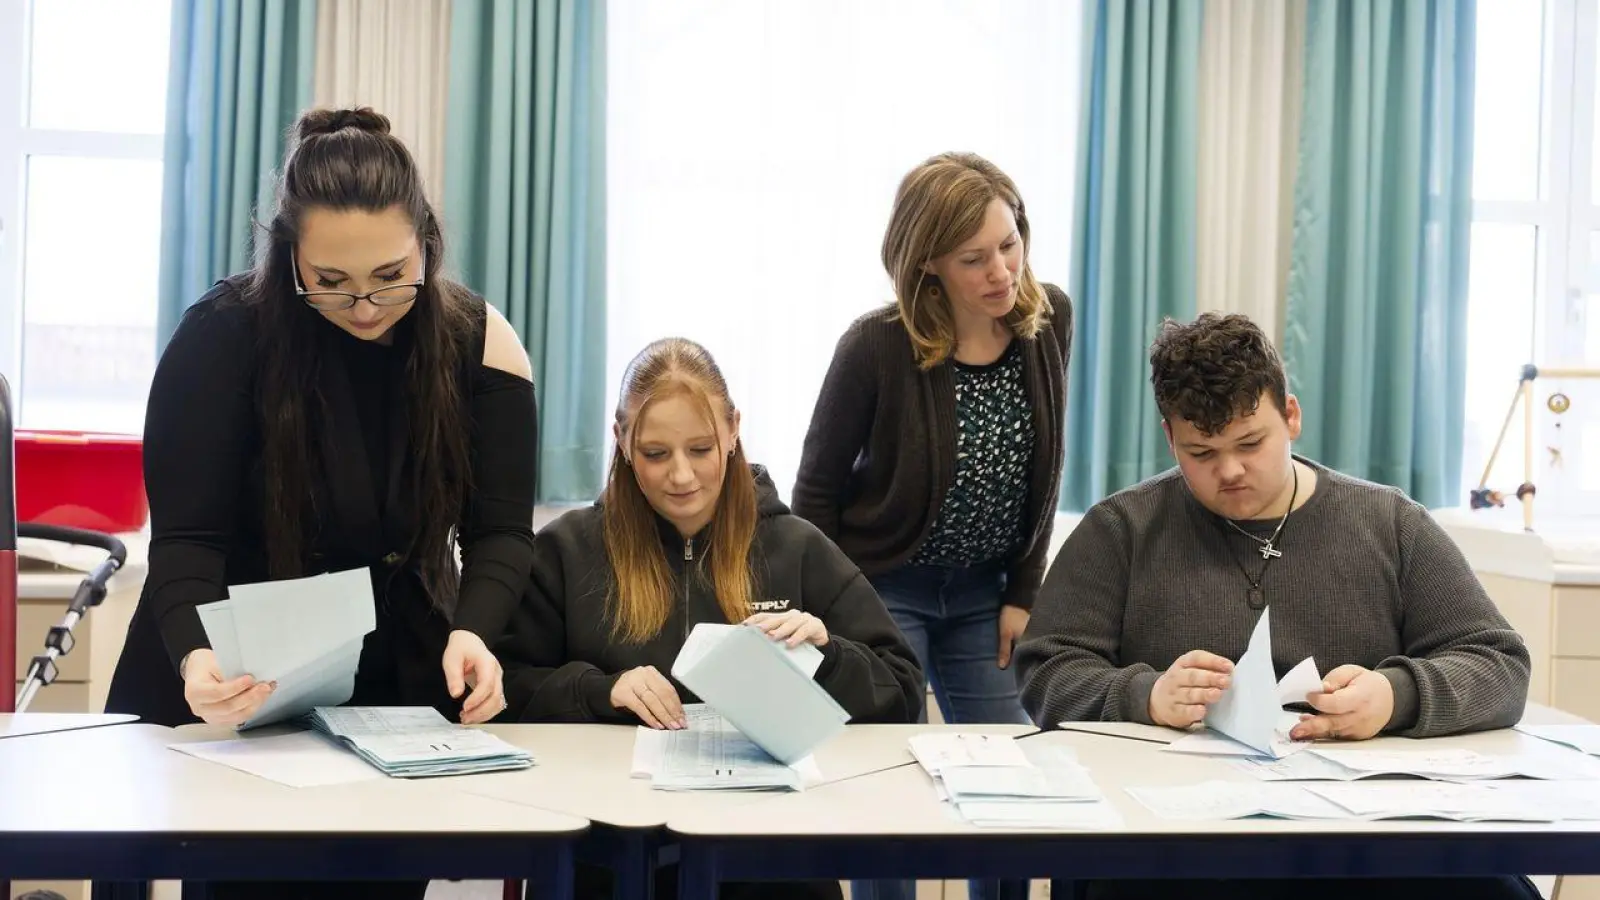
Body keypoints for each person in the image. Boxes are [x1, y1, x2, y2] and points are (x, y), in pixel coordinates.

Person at [102, 107, 537, 900]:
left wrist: (475, 629)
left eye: (390, 278)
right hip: (236, 671)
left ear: (427, 244)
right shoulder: (222, 337)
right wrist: (199, 661)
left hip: (386, 675)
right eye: (329, 283)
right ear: (289, 254)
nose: (364, 308)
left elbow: (503, 532)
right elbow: (188, 542)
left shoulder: (482, 342)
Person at [1016, 312, 1536, 900]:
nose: (1230, 471)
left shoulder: (1390, 523)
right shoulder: (1122, 529)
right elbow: (1045, 672)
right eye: (1201, 452)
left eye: (1250, 443)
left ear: (1291, 416)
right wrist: (1145, 696)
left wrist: (1396, 696)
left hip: (1360, 835)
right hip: (1173, 837)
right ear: (1169, 438)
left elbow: (1501, 665)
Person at [496, 336, 923, 900]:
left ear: (733, 429)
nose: (681, 477)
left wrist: (827, 658)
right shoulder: (567, 550)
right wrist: (601, 693)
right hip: (609, 856)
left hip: (770, 856)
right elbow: (500, 689)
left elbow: (903, 690)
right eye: (655, 454)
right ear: (621, 440)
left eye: (700, 449)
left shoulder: (795, 546)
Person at [791, 151, 1072, 900]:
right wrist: (823, 609)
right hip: (882, 591)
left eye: (1009, 244)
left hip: (984, 593)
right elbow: (815, 488)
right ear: (928, 267)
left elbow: (1047, 469)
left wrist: (1025, 589)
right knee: (887, 783)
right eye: (974, 258)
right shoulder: (876, 345)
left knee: (1006, 786)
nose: (1001, 271)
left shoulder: (1051, 322)